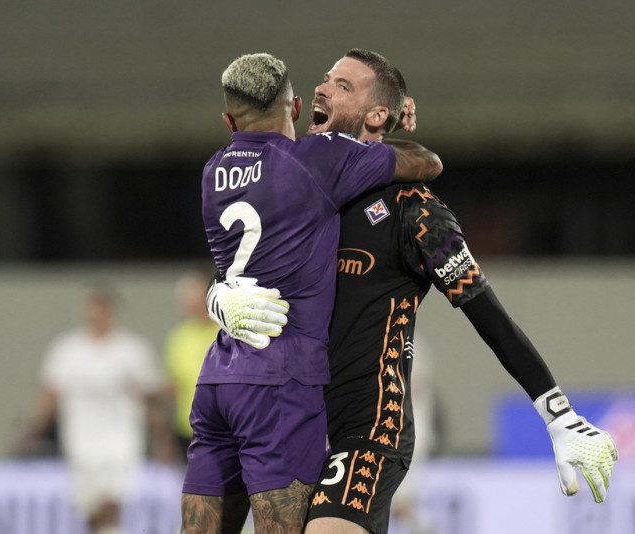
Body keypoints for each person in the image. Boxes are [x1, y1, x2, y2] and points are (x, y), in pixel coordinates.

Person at [210, 49, 618, 534]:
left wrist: (558, 414)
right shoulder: (298, 187)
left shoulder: (415, 211)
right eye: (324, 79)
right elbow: (240, 264)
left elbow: (488, 314)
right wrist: (220, 297)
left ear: (377, 114)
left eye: (342, 86)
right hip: (294, 420)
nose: (320, 89)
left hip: (368, 426)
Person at [180, 52, 442, 534]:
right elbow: (426, 164)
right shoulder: (317, 161)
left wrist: (217, 294)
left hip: (219, 376)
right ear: (296, 107)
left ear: (227, 120)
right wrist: (393, 123)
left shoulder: (213, 171)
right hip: (281, 380)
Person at [13, 286, 175, 534]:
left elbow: (150, 400)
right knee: (89, 505)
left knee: (114, 499)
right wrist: (30, 432)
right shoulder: (67, 350)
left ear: (113, 312)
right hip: (81, 439)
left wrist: (162, 440)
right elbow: (49, 395)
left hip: (122, 439)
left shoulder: (132, 350)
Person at [163, 270, 221, 462]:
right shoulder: (179, 337)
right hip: (188, 429)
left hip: (225, 428)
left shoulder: (226, 332)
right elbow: (173, 388)